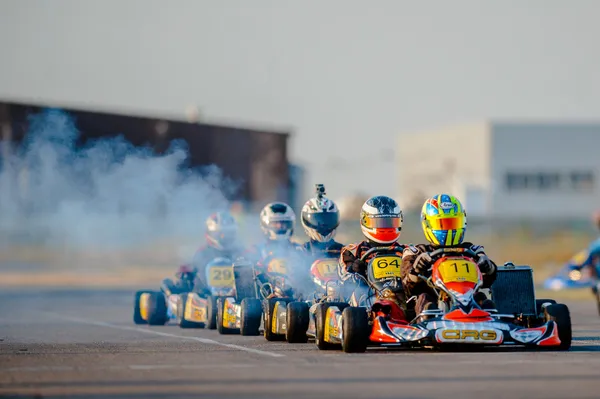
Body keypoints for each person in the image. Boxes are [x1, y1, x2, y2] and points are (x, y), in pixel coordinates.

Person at [401, 194, 497, 315]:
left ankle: (489, 323)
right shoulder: (416, 252)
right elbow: (406, 288)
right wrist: (417, 269)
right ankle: (428, 327)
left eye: (453, 223)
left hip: (468, 301)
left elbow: (489, 280)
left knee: (482, 298)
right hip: (435, 305)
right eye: (442, 224)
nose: (449, 229)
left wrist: (488, 267)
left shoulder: (472, 250)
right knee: (424, 299)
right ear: (428, 224)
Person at [338, 195, 406, 305]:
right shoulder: (353, 251)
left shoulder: (406, 251)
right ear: (365, 221)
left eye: (390, 223)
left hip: (401, 297)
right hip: (368, 300)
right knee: (358, 291)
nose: (385, 227)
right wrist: (358, 272)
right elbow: (345, 284)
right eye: (380, 222)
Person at [169, 211, 245, 294]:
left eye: (228, 233)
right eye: (221, 234)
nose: (224, 237)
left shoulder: (241, 252)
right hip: (206, 297)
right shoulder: (202, 253)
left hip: (235, 297)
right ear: (210, 233)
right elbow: (190, 274)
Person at [300, 184, 344, 258]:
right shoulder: (301, 252)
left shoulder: (344, 251)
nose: (323, 225)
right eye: (318, 221)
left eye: (327, 220)